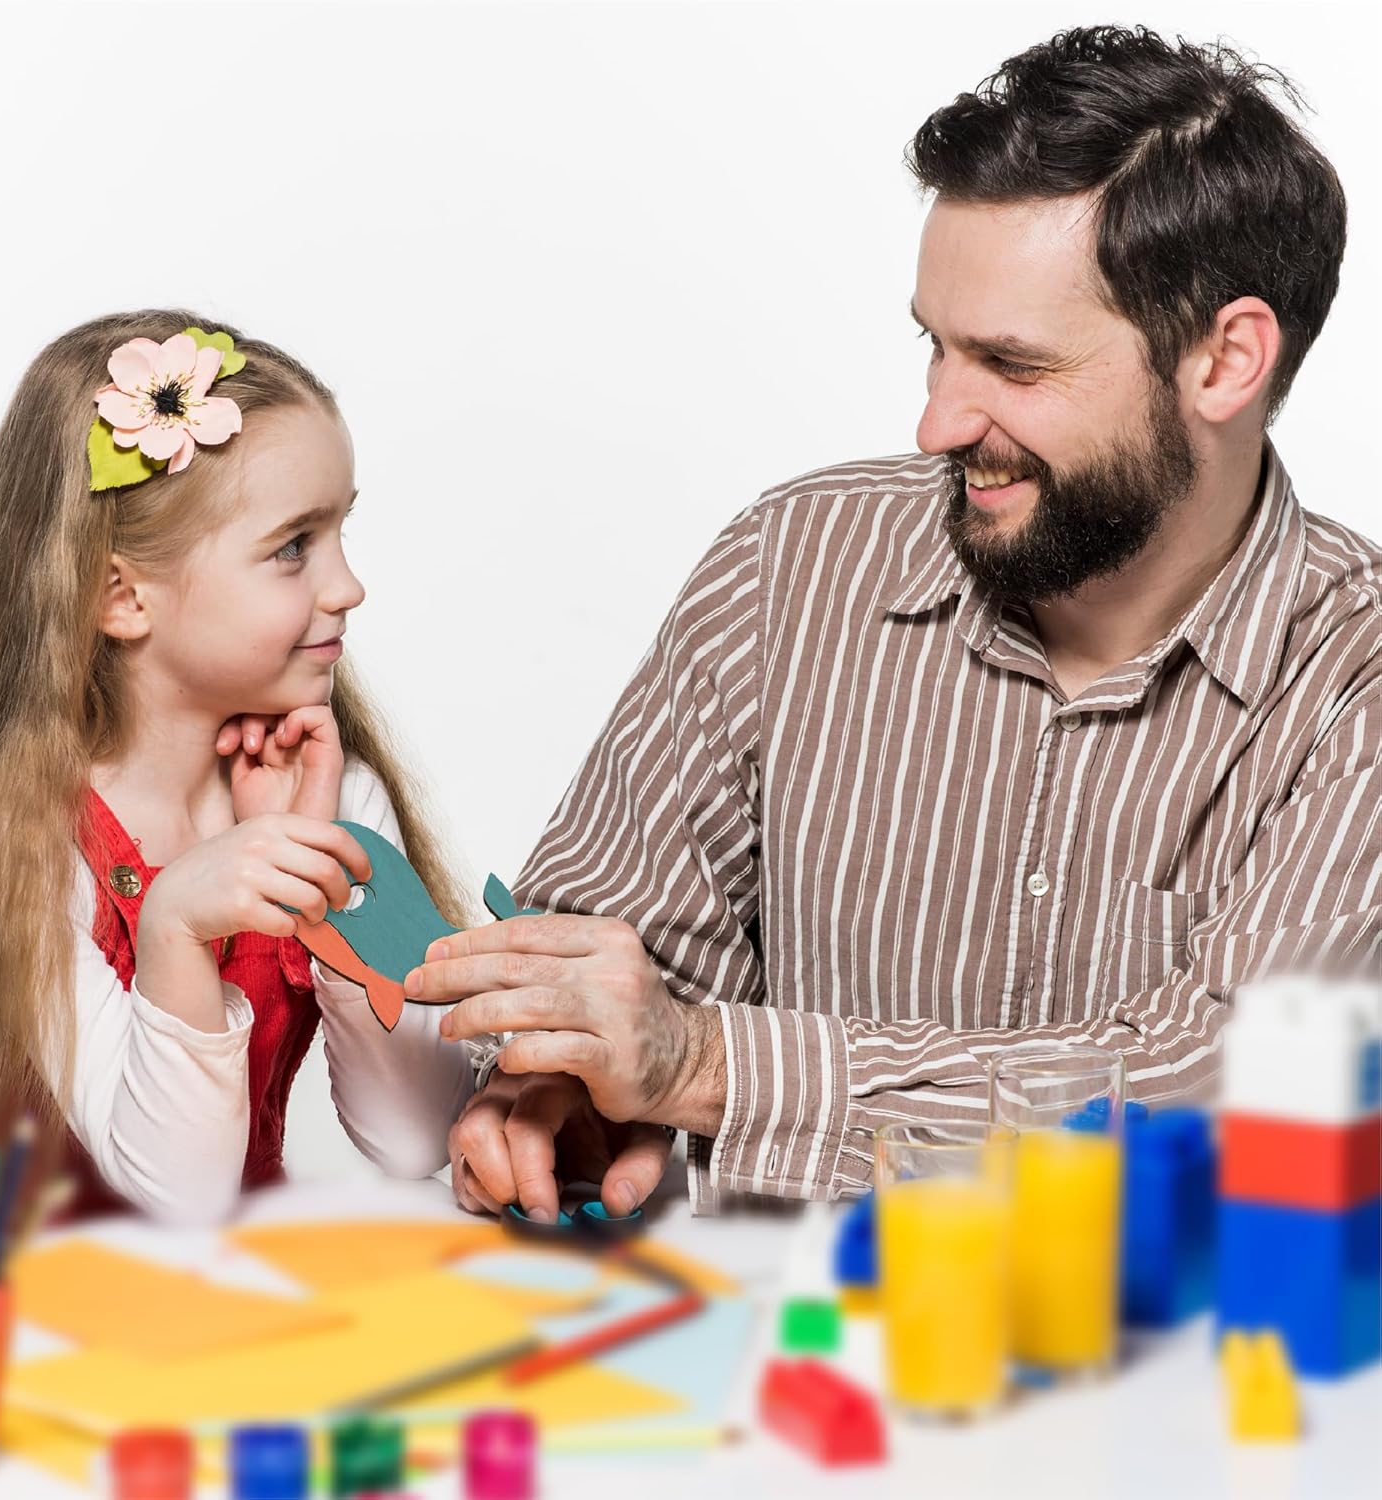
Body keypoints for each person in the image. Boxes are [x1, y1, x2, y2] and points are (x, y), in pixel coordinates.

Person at [426, 26, 1379, 1218]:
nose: (936, 421)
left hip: (1180, 1387)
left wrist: (702, 1066)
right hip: (773, 1362)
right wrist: (556, 1084)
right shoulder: (791, 563)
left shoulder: (1359, 680)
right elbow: (604, 955)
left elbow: (1225, 1101)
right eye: (936, 344)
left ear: (1227, 360)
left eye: (1012, 365)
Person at [0, 310, 474, 1224]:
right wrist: (172, 930)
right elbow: (178, 1199)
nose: (348, 585)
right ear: (121, 596)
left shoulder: (337, 793)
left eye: (340, 534)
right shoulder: (7, 847)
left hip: (216, 1317)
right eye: (292, 547)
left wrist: (339, 892)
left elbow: (415, 1137)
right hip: (25, 1319)